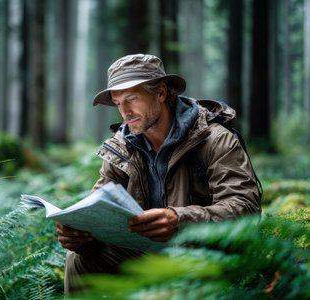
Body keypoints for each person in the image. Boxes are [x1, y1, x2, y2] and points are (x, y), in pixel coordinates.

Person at [56, 54, 262, 292]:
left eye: (132, 99)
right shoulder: (121, 148)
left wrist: (179, 220)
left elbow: (245, 208)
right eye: (118, 102)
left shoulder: (215, 140)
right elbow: (99, 208)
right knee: (78, 259)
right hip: (145, 254)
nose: (125, 112)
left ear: (161, 93)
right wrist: (81, 236)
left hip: (202, 253)